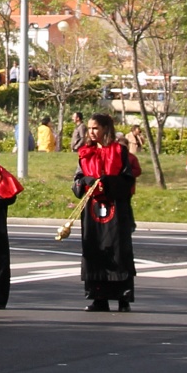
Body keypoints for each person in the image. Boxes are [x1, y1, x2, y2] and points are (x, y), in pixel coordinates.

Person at [74, 112, 139, 312]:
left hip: (116, 210)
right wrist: (85, 182)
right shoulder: (85, 152)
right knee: (94, 250)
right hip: (93, 212)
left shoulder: (119, 151)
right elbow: (77, 181)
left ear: (105, 129)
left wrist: (107, 183)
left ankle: (123, 298)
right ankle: (98, 297)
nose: (92, 132)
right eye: (90, 129)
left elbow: (128, 180)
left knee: (118, 251)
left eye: (96, 128)